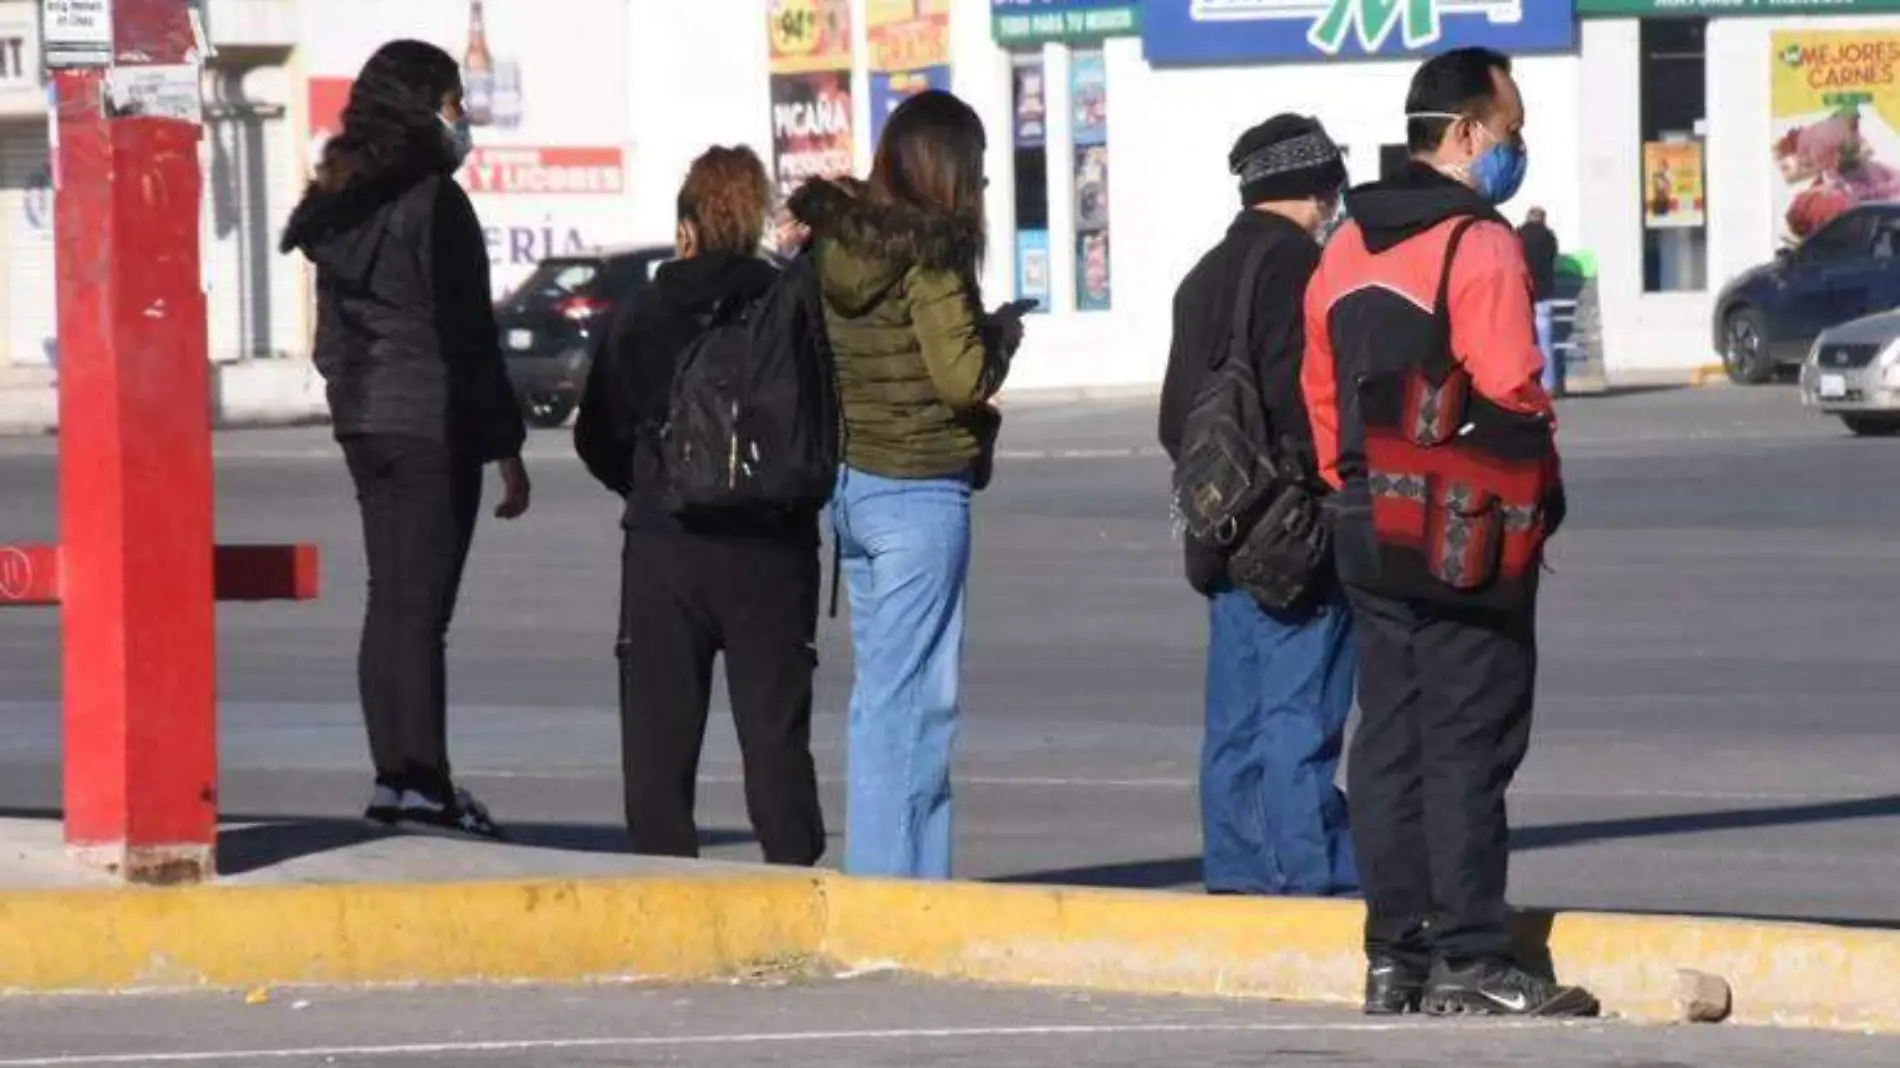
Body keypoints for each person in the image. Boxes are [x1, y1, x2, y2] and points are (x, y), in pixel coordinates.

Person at [1302, 47, 1592, 1017]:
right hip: (1462, 526)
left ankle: (1397, 954)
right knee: (1470, 734)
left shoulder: (1343, 244)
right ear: (1465, 134)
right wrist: (1536, 495)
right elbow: (1511, 383)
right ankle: (1474, 952)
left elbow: (1317, 389)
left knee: (1387, 735)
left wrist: (1351, 483)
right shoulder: (1480, 244)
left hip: (1362, 518)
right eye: (1509, 133)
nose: (1516, 150)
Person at [282, 40, 530, 840]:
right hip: (429, 422)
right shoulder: (434, 203)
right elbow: (467, 339)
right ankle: (423, 784)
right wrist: (507, 451)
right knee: (421, 613)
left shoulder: (341, 200)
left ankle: (396, 780)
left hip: (367, 423)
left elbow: (330, 337)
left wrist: (353, 397)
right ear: (424, 106)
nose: (463, 121)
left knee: (391, 602)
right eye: (456, 104)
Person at [788, 90, 1022, 879]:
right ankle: (899, 888)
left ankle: (896, 871)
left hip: (853, 486)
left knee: (884, 697)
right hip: (920, 485)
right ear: (949, 169)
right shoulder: (934, 249)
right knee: (923, 700)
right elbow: (961, 380)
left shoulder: (838, 243)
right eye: (979, 170)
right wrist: (1000, 340)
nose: (984, 188)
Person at [573, 146, 826, 866]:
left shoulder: (646, 310)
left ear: (687, 223)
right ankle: (792, 890)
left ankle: (667, 893)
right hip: (772, 550)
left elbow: (597, 435)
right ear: (751, 222)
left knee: (659, 742)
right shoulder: (791, 305)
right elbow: (820, 423)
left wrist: (655, 483)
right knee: (774, 735)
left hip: (667, 547)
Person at [1157, 115, 1357, 898]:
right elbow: (1313, 406)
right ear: (1315, 187)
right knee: (1301, 716)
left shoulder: (1200, 277)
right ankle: (1321, 878)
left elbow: (1178, 418)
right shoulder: (1307, 270)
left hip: (1222, 530)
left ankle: (1238, 875)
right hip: (1297, 536)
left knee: (1235, 723)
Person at [1518, 207, 1562, 395]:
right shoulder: (1550, 237)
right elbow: (1553, 258)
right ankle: (1549, 384)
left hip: (1524, 294)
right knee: (1546, 342)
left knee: (1523, 341)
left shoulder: (1518, 235)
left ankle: (1526, 383)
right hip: (1544, 295)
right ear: (1543, 219)